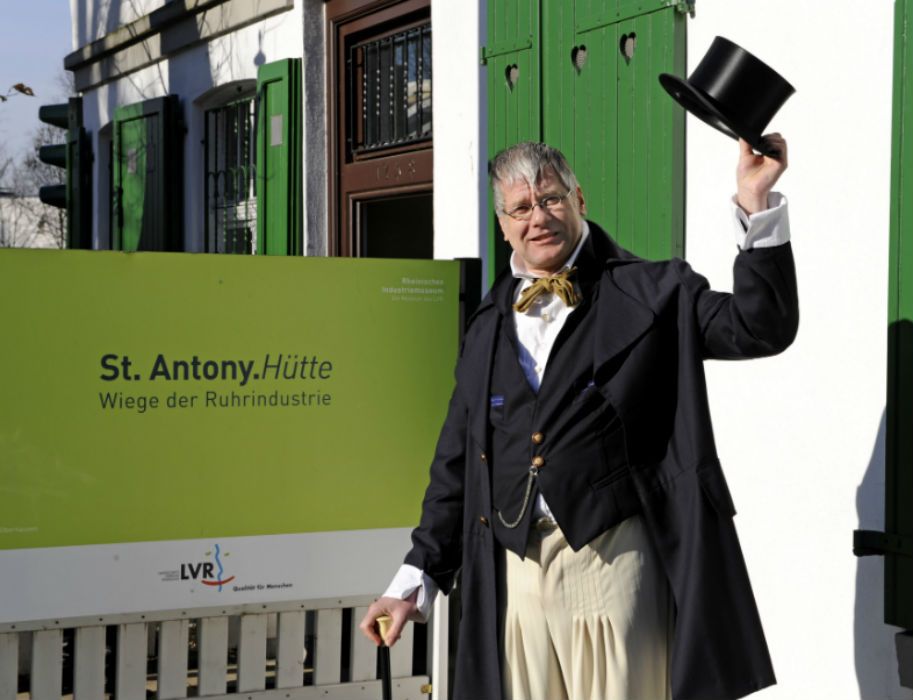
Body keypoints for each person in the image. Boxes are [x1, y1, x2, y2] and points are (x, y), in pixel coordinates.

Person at [360, 136, 797, 700]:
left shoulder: (653, 291)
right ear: (502, 224)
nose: (538, 217)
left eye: (551, 199)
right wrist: (411, 582)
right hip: (515, 578)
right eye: (521, 207)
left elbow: (759, 327)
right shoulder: (488, 324)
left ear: (579, 199)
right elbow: (457, 463)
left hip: (612, 564)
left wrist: (755, 202)